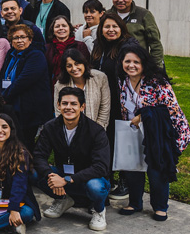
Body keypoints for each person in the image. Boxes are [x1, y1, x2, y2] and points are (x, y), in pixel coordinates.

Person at [117, 44, 190, 220]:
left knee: (157, 168)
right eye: (127, 61)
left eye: (136, 62)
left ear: (144, 63)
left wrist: (143, 117)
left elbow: (171, 109)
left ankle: (160, 206)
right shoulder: (123, 81)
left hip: (162, 133)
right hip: (134, 132)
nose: (131, 65)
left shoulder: (157, 81)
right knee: (132, 167)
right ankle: (135, 202)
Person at [34, 87, 110, 231]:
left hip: (88, 179)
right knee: (32, 172)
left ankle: (99, 210)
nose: (68, 107)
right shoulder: (51, 127)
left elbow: (101, 166)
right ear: (58, 105)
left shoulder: (96, 131)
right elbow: (39, 156)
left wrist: (66, 180)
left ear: (82, 106)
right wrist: (51, 176)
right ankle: (63, 200)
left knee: (95, 186)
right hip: (62, 175)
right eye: (64, 103)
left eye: (73, 104)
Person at [91, 13, 138, 200]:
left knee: (123, 141)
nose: (110, 30)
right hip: (103, 100)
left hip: (122, 102)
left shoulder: (128, 46)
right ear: (101, 29)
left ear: (121, 28)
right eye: (106, 27)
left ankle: (125, 180)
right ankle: (107, 176)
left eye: (114, 26)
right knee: (106, 139)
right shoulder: (98, 46)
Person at [0, 24, 53, 149]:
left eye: (23, 37)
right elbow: (4, 75)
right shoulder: (10, 54)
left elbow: (23, 80)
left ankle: (28, 166)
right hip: (14, 105)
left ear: (30, 39)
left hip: (30, 107)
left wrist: (4, 96)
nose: (19, 41)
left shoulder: (36, 55)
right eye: (15, 38)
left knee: (26, 142)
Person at [54, 48, 111, 130]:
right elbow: (59, 112)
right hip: (70, 131)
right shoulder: (60, 85)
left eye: (77, 64)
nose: (74, 68)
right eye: (69, 66)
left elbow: (104, 108)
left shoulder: (100, 78)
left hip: (96, 131)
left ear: (84, 63)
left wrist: (97, 131)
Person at [108, 0, 164, 65]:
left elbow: (155, 44)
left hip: (137, 64)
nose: (120, 0)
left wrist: (156, 67)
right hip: (112, 64)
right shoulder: (107, 15)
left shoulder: (144, 14)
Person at [45, 15, 90, 84]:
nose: (61, 28)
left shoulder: (80, 46)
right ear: (53, 30)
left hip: (76, 84)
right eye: (57, 26)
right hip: (53, 85)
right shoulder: (47, 48)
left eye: (64, 26)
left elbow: (87, 67)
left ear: (69, 28)